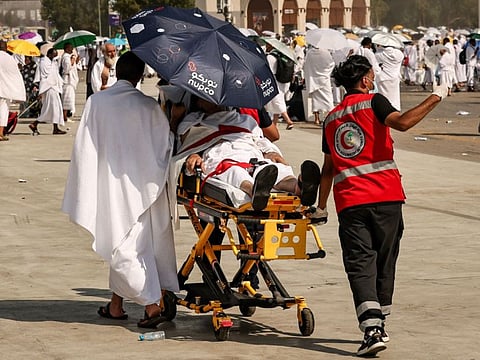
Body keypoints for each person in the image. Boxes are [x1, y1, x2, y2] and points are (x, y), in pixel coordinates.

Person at [314, 55, 448, 357]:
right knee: (385, 262)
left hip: (350, 201)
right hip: (387, 197)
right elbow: (403, 123)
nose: (373, 79)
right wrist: (436, 96)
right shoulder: (373, 101)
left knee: (361, 264)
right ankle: (378, 322)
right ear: (364, 80)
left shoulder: (331, 118)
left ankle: (373, 327)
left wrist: (320, 207)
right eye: (372, 75)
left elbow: (327, 169)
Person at [62, 51, 178, 328]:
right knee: (130, 243)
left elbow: (84, 146)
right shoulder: (149, 107)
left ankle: (144, 306)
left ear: (116, 72)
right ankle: (129, 306)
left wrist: (87, 180)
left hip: (109, 183)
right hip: (142, 185)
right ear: (140, 76)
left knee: (122, 243)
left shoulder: (97, 102)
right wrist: (173, 120)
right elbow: (166, 145)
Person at [173, 95, 321, 211]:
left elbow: (260, 139)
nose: (216, 101)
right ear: (198, 102)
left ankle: (298, 186)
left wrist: (270, 152)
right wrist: (193, 155)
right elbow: (187, 145)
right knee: (234, 172)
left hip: (249, 152)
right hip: (220, 156)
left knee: (272, 168)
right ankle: (254, 190)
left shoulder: (244, 119)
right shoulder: (192, 121)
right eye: (208, 97)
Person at [29, 48, 66, 135]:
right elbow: (47, 77)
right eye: (54, 55)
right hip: (49, 88)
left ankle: (55, 128)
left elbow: (55, 74)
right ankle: (35, 124)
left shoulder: (51, 62)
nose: (55, 57)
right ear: (49, 54)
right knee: (51, 109)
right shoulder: (44, 63)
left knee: (54, 109)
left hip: (53, 88)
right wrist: (41, 91)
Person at [264, 43, 296, 130]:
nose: (266, 47)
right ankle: (274, 123)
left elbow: (268, 70)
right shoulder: (283, 55)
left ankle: (288, 121)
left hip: (275, 80)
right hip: (283, 81)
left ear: (271, 46)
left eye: (268, 45)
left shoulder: (270, 57)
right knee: (278, 100)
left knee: (277, 101)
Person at [0, 40, 26, 140]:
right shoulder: (10, 59)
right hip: (5, 89)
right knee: (3, 110)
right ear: (6, 48)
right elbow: (15, 75)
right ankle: (1, 133)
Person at [303, 46, 335, 125]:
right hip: (324, 78)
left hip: (313, 78)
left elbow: (306, 65)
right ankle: (329, 116)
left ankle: (316, 119)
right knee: (328, 99)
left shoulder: (309, 53)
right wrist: (325, 72)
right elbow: (331, 64)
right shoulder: (326, 53)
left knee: (315, 100)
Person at [375, 44, 404, 111]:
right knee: (394, 96)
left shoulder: (378, 54)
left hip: (383, 77)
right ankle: (395, 108)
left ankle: (383, 109)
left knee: (383, 95)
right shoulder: (398, 53)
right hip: (394, 77)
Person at [60, 42, 79, 122]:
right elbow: (67, 68)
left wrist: (76, 61)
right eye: (71, 48)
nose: (72, 49)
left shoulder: (69, 56)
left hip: (71, 80)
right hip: (67, 80)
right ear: (67, 48)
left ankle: (66, 115)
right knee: (66, 99)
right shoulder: (65, 57)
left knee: (69, 99)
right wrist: (72, 61)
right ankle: (64, 116)